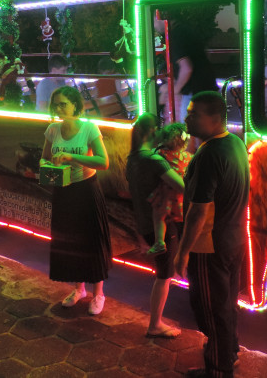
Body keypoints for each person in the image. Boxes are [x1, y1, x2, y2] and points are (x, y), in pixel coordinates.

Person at [174, 91, 250, 378]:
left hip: (209, 246)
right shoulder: (235, 143)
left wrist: (183, 252)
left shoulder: (209, 155)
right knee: (226, 305)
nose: (187, 119)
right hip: (234, 239)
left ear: (215, 118)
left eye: (194, 114)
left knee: (211, 311)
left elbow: (198, 211)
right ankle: (229, 354)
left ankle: (219, 370)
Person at [40, 86, 112, 315]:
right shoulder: (52, 130)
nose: (59, 108)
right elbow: (44, 159)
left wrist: (72, 156)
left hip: (86, 190)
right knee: (70, 241)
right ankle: (78, 289)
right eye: (56, 105)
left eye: (63, 104)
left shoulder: (89, 128)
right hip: (63, 191)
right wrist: (49, 166)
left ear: (75, 105)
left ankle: (98, 294)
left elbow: (103, 162)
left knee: (92, 240)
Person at [125, 113, 184, 338]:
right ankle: (155, 324)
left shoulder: (133, 158)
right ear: (152, 131)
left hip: (145, 223)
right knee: (163, 276)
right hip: (162, 224)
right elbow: (182, 187)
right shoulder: (154, 160)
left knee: (164, 272)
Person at [154, 14, 217, 122]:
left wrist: (175, 89)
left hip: (194, 93)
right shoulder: (186, 30)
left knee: (188, 127)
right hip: (208, 88)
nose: (154, 26)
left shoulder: (175, 36)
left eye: (154, 21)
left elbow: (186, 68)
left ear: (161, 17)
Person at [146, 122, 191, 256]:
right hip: (180, 197)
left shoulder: (161, 154)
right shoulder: (187, 156)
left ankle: (159, 241)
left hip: (165, 193)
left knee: (159, 215)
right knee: (182, 223)